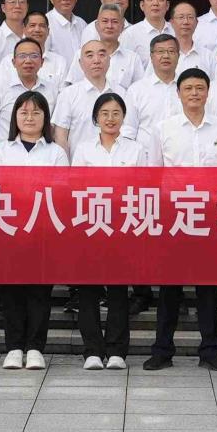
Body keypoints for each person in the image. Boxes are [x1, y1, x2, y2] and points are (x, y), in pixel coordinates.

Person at [145, 69, 217, 372]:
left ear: (208, 92)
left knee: (208, 290)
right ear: (178, 93)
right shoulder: (163, 129)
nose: (194, 93)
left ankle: (211, 351)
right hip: (175, 218)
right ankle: (162, 350)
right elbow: (154, 174)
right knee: (169, 290)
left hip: (211, 217)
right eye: (188, 88)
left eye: (199, 88)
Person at [72, 91, 150, 370]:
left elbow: (142, 188)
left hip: (122, 226)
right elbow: (76, 188)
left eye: (116, 113)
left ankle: (117, 351)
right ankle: (92, 351)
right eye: (104, 113)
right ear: (96, 118)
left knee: (118, 290)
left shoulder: (135, 150)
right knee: (89, 291)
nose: (110, 118)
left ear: (124, 117)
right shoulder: (84, 149)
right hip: (91, 225)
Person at [0, 90, 68, 370]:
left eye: (36, 112)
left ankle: (35, 347)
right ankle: (13, 347)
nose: (30, 117)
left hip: (42, 231)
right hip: (8, 230)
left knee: (39, 292)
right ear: (15, 117)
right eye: (24, 112)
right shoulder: (1, 151)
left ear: (45, 118)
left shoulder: (56, 153)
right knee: (11, 292)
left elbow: (61, 191)